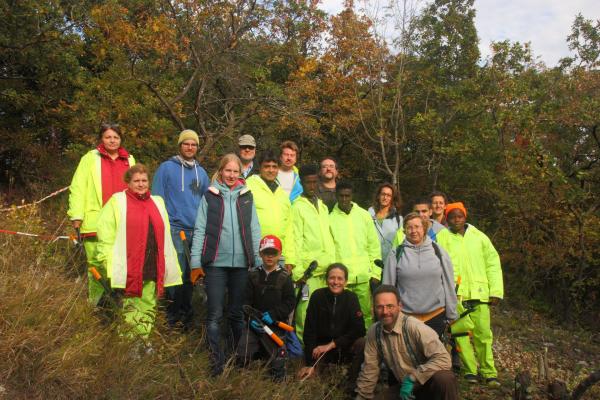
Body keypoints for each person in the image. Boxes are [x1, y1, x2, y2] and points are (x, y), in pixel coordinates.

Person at [190, 153, 261, 376]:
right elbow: (200, 230)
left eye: (235, 172)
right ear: (221, 171)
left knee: (237, 314)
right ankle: (216, 361)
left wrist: (257, 260)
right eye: (228, 171)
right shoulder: (210, 196)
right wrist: (195, 262)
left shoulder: (247, 196)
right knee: (214, 314)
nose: (231, 175)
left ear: (241, 174)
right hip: (215, 264)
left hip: (242, 264)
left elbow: (254, 229)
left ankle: (236, 358)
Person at [96, 164, 182, 338]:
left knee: (148, 305)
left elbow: (164, 236)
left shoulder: (157, 202)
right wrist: (106, 260)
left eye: (144, 180)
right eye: (136, 181)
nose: (141, 184)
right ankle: (129, 344)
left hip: (151, 264)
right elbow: (106, 233)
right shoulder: (117, 201)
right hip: (130, 265)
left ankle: (143, 340)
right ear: (128, 182)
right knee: (131, 307)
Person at [436, 202, 503, 387]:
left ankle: (489, 372)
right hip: (456, 296)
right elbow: (437, 266)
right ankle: (469, 371)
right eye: (452, 217)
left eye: (460, 216)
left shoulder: (479, 237)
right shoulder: (442, 237)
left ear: (465, 216)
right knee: (461, 335)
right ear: (447, 219)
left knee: (483, 334)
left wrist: (496, 291)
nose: (456, 220)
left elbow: (493, 263)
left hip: (480, 294)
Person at [67, 123, 135, 306]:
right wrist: (76, 216)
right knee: (96, 265)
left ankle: (117, 304)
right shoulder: (90, 158)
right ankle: (95, 304)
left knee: (120, 264)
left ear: (120, 140)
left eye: (116, 137)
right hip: (94, 222)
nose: (112, 140)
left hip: (122, 222)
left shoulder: (129, 160)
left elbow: (136, 189)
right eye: (108, 137)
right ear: (101, 139)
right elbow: (78, 187)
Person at [355, 285, 459, 400]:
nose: (385, 312)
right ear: (374, 308)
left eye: (390, 306)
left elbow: (443, 358)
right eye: (380, 307)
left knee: (444, 378)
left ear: (399, 306)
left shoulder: (415, 327)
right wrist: (362, 397)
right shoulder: (374, 332)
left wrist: (413, 377)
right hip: (403, 389)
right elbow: (370, 369)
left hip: (428, 384)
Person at [151, 129, 209, 329]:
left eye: (193, 144)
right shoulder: (166, 168)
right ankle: (170, 317)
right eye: (186, 143)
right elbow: (156, 199)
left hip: (196, 231)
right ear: (180, 145)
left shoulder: (201, 173)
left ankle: (187, 316)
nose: (190, 147)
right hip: (175, 230)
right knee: (174, 274)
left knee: (191, 277)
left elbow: (206, 202)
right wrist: (161, 228)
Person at [382, 212, 457, 338]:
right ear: (404, 231)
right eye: (409, 227)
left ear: (424, 228)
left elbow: (449, 284)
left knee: (434, 356)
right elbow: (388, 287)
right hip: (406, 316)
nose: (413, 231)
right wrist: (388, 315)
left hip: (436, 314)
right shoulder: (396, 253)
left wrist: (452, 314)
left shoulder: (438, 251)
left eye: (417, 227)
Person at [298, 263, 365, 393]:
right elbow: (309, 331)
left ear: (345, 281)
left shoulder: (351, 298)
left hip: (343, 347)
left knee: (363, 342)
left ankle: (352, 381)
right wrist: (309, 364)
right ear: (326, 279)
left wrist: (333, 344)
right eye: (332, 278)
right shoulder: (317, 296)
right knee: (309, 382)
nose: (335, 282)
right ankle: (322, 371)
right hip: (320, 350)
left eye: (340, 278)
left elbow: (359, 330)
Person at [237, 235, 295, 381]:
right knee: (242, 355)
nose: (270, 256)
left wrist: (274, 315)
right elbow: (245, 302)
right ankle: (243, 380)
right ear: (260, 254)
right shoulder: (253, 275)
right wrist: (250, 320)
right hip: (254, 323)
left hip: (275, 325)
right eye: (266, 252)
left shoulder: (285, 277)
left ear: (280, 255)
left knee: (278, 363)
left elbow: (290, 302)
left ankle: (278, 381)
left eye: (273, 253)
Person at [290, 164, 336, 341]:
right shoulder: (297, 207)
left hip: (326, 269)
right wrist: (299, 272)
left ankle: (322, 347)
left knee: (325, 310)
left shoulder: (323, 206)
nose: (311, 186)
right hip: (308, 272)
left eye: (314, 182)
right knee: (305, 310)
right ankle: (303, 347)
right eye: (308, 182)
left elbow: (329, 237)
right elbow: (296, 240)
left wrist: (334, 263)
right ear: (302, 183)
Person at [329, 181, 381, 328]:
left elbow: (373, 245)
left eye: (347, 196)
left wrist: (376, 273)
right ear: (336, 196)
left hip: (363, 277)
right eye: (341, 196)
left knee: (364, 314)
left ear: (352, 196)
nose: (344, 199)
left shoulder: (364, 216)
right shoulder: (330, 219)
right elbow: (331, 250)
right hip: (341, 280)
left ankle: (366, 346)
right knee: (340, 315)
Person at [246, 149, 295, 271]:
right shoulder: (248, 187)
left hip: (280, 255)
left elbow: (289, 228)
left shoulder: (282, 194)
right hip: (257, 254)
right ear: (260, 167)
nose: (271, 170)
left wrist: (290, 258)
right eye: (267, 166)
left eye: (274, 166)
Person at [368, 183, 403, 266]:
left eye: (388, 195)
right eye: (383, 194)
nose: (385, 198)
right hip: (372, 263)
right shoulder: (368, 216)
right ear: (378, 196)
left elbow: (401, 243)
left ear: (392, 199)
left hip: (391, 264)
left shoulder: (398, 219)